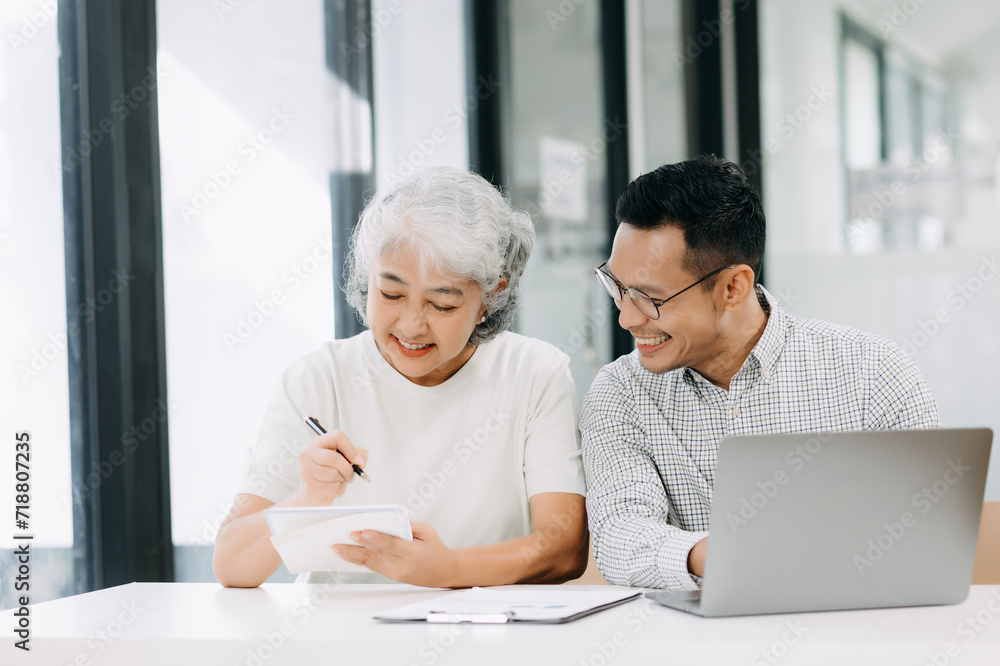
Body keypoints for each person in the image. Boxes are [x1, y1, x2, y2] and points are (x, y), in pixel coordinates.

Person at [214, 166, 588, 588]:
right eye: (390, 294)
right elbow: (231, 565)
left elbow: (563, 550)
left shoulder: (535, 374)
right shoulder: (318, 378)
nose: (411, 326)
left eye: (442, 304)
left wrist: (451, 571)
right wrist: (306, 498)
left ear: (490, 297)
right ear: (366, 279)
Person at [581, 155, 940, 590]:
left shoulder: (872, 373)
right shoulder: (621, 391)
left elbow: (929, 527)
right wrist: (716, 554)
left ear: (734, 287)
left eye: (649, 298)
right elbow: (620, 538)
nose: (626, 319)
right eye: (617, 288)